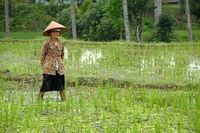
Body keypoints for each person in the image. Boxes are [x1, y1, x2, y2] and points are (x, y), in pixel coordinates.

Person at [38, 21, 67, 101]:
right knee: (45, 85)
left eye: (57, 32)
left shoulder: (61, 43)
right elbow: (42, 55)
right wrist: (43, 65)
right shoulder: (46, 43)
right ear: (50, 33)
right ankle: (39, 99)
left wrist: (60, 62)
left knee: (61, 85)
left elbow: (62, 55)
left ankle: (64, 100)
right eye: (54, 32)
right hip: (48, 67)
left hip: (59, 68)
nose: (56, 33)